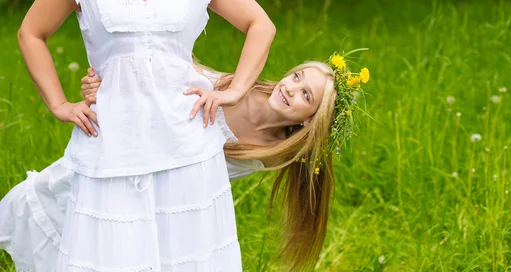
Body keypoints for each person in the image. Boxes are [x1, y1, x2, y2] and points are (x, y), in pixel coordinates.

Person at [0, 0, 276, 270]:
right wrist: (60, 104)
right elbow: (31, 32)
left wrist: (234, 90)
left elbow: (260, 25)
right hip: (112, 144)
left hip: (187, 146)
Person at [1, 53, 370, 271]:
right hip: (130, 159)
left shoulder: (269, 154)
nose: (290, 87)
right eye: (296, 76)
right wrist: (104, 87)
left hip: (163, 201)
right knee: (51, 199)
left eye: (306, 94)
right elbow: (160, 71)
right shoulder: (231, 85)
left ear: (309, 120)